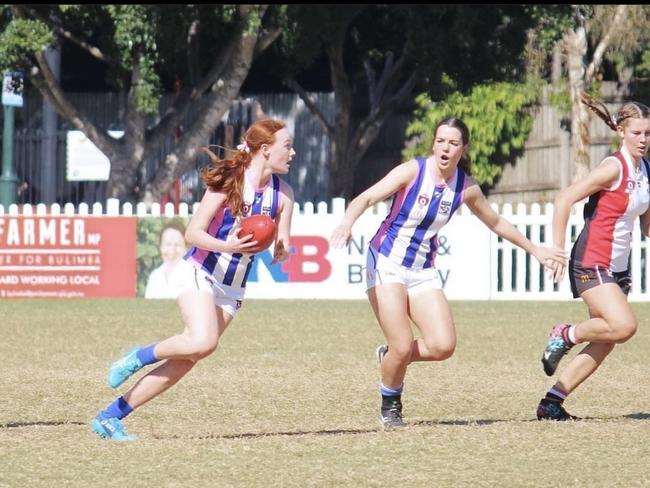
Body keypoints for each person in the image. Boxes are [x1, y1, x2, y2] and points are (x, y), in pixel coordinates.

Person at [330, 117, 567, 429]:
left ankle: (391, 356)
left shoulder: (465, 187)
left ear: (462, 148)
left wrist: (535, 249)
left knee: (443, 346)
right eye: (441, 140)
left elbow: (496, 223)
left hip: (421, 270)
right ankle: (390, 404)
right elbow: (367, 197)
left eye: (453, 143)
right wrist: (347, 223)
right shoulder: (413, 171)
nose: (445, 147)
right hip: (385, 260)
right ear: (433, 143)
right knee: (403, 344)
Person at [92, 119, 296, 440]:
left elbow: (280, 239)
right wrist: (227, 245)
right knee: (203, 342)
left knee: (190, 358)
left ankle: (110, 417)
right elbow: (192, 232)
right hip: (200, 270)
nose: (293, 152)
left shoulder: (283, 196)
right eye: (287, 146)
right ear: (266, 150)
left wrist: (281, 248)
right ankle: (139, 356)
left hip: (232, 287)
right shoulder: (230, 181)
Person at [537, 95, 650, 421]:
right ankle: (565, 334)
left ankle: (552, 402)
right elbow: (563, 200)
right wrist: (557, 249)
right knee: (624, 326)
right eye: (636, 133)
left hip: (618, 268)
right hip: (591, 261)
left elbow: (646, 228)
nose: (643, 140)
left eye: (647, 133)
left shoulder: (647, 171)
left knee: (608, 337)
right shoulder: (612, 167)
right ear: (621, 132)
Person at [144, 222, 187, 299]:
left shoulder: (193, 276)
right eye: (167, 244)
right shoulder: (154, 277)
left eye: (177, 245)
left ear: (186, 248)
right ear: (160, 247)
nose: (172, 251)